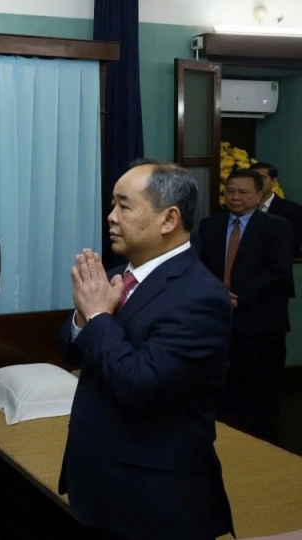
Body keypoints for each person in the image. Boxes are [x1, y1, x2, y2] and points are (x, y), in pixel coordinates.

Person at [58, 158, 234, 540]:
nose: (111, 217)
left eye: (123, 205)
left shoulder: (200, 296)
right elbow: (72, 352)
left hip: (153, 496)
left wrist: (98, 316)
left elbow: (141, 384)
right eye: (112, 204)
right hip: (102, 481)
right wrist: (82, 318)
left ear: (168, 220)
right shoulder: (120, 274)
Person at [197, 168, 294, 442]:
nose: (235, 197)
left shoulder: (277, 227)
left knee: (261, 394)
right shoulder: (209, 225)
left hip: (262, 324)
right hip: (220, 322)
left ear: (259, 194)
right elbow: (199, 266)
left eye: (243, 192)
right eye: (230, 191)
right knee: (224, 392)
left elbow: (279, 271)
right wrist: (218, 293)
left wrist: (239, 296)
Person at [249, 161, 302, 252]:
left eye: (262, 178)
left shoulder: (293, 210)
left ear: (274, 181)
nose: (256, 182)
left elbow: (293, 244)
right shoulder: (241, 208)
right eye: (252, 178)